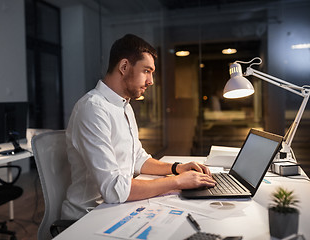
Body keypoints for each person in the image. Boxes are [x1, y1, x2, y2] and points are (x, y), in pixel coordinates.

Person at [61, 34, 215, 220]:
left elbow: (137, 159)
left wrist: (177, 168)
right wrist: (177, 182)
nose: (151, 81)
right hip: (88, 216)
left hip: (115, 208)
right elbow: (113, 189)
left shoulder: (124, 106)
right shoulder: (92, 108)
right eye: (147, 71)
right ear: (124, 67)